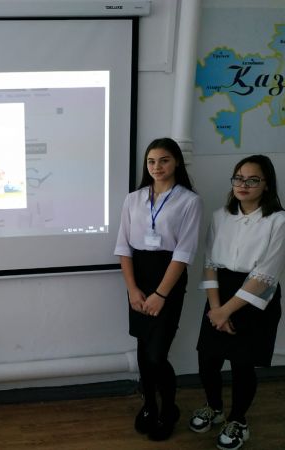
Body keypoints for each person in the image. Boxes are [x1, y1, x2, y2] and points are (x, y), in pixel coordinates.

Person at [189, 155, 285, 450]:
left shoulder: (278, 221)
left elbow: (265, 276)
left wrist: (226, 311)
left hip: (255, 297)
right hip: (219, 294)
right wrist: (216, 309)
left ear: (266, 185)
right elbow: (209, 263)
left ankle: (238, 420)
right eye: (239, 178)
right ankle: (214, 407)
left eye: (252, 180)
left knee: (243, 365)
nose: (243, 185)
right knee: (207, 359)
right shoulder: (220, 216)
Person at [114, 138, 203, 441]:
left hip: (169, 278)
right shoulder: (133, 199)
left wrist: (161, 294)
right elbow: (123, 247)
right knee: (143, 348)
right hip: (138, 276)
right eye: (151, 161)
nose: (157, 167)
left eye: (164, 160)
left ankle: (169, 409)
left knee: (156, 354)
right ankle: (150, 405)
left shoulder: (189, 201)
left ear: (176, 162)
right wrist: (132, 290)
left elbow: (184, 253)